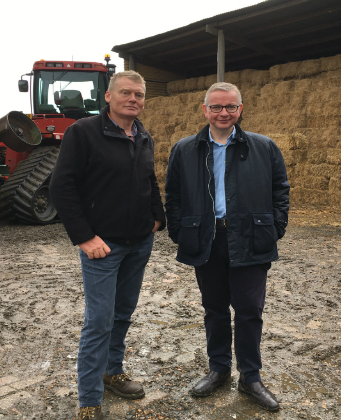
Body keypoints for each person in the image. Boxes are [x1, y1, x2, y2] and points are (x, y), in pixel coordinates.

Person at [165, 82, 290, 412]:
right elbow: (173, 195)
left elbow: (281, 189)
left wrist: (275, 227)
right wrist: (180, 231)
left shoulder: (263, 147)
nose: (224, 113)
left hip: (250, 237)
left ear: (240, 109)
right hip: (207, 239)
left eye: (230, 107)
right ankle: (218, 369)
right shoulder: (185, 149)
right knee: (215, 309)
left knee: (249, 310)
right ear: (204, 110)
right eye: (217, 107)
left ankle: (250, 377)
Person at [49, 70, 165, 420]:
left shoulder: (142, 135)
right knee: (99, 321)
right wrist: (84, 236)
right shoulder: (83, 132)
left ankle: (113, 372)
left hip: (138, 243)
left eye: (140, 95)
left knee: (122, 313)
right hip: (102, 246)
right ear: (109, 97)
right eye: (126, 93)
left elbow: (149, 180)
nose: (134, 99)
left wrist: (157, 218)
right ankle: (89, 401)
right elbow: (61, 187)